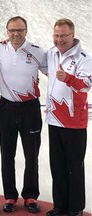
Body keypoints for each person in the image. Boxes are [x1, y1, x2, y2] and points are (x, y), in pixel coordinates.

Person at [0, 16, 47, 213]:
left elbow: (54, 72)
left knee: (32, 155)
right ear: (7, 31)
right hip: (7, 108)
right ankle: (10, 196)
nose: (15, 34)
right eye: (12, 30)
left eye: (19, 30)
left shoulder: (37, 52)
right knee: (7, 154)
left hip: (30, 108)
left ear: (26, 30)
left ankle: (30, 195)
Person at [45, 18, 92, 216]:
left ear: (72, 34)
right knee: (57, 165)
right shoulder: (51, 53)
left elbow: (86, 84)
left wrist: (69, 78)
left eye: (63, 35)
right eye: (56, 35)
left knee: (74, 167)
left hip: (74, 122)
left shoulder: (84, 57)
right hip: (54, 119)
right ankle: (60, 205)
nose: (59, 39)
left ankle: (75, 208)